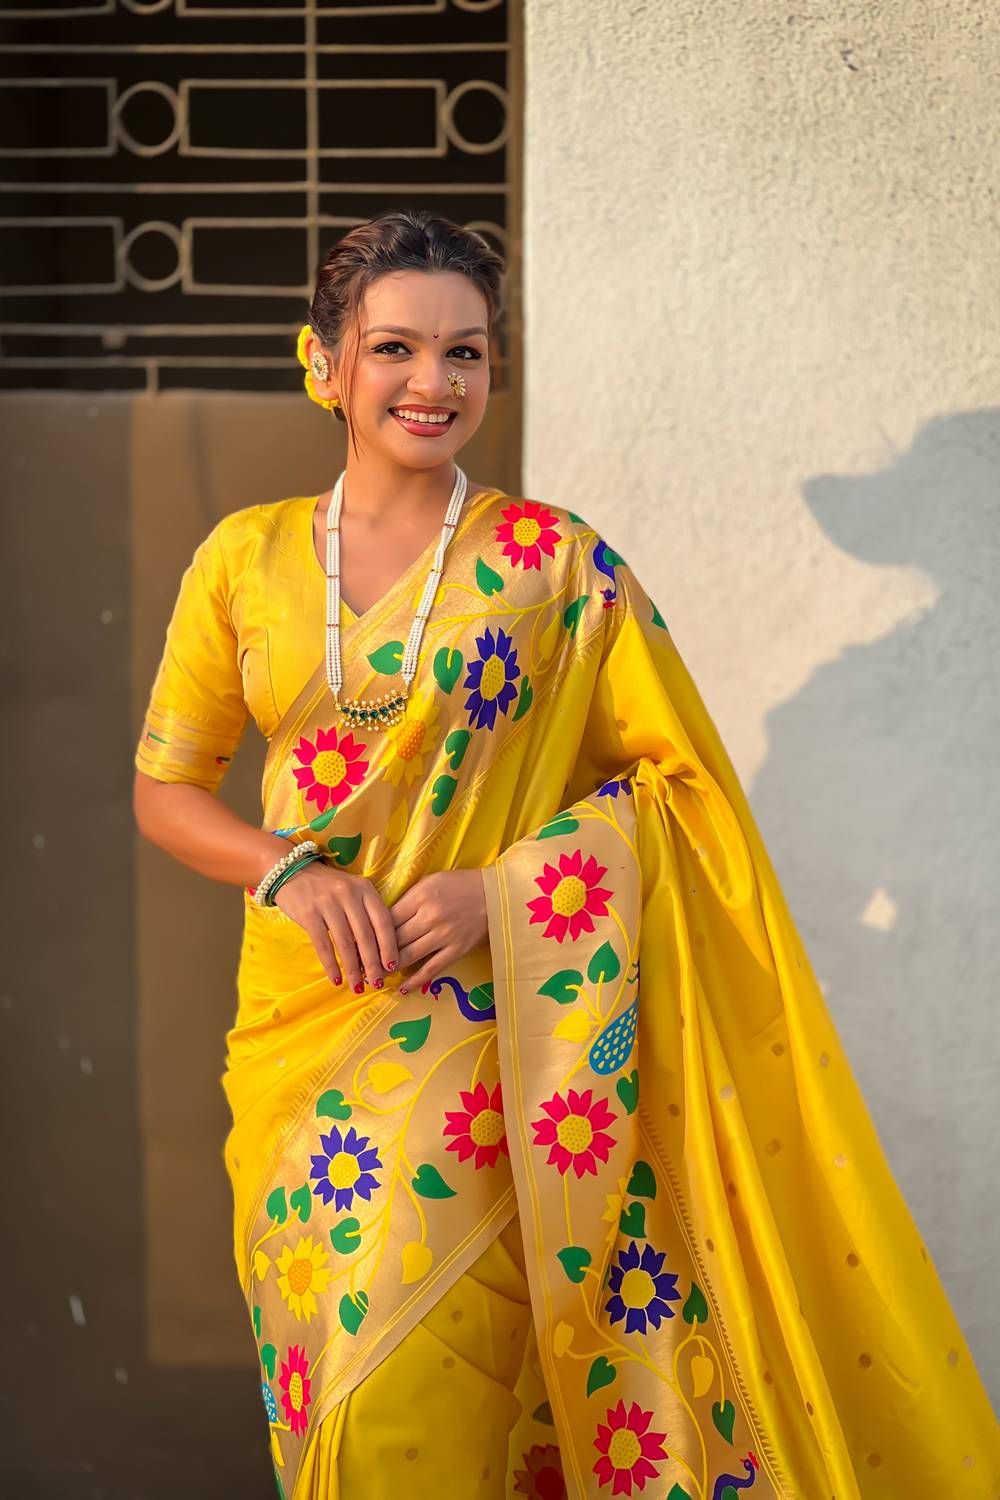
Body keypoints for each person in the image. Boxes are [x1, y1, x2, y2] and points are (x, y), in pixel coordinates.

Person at [133, 210, 998, 1500]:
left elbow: (684, 795)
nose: (433, 382)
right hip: (299, 1029)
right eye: (396, 348)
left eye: (466, 352)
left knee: (417, 1394)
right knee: (333, 1397)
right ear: (326, 360)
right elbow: (165, 789)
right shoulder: (244, 560)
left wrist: (508, 894)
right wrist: (287, 872)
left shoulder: (556, 566)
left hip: (490, 1032)